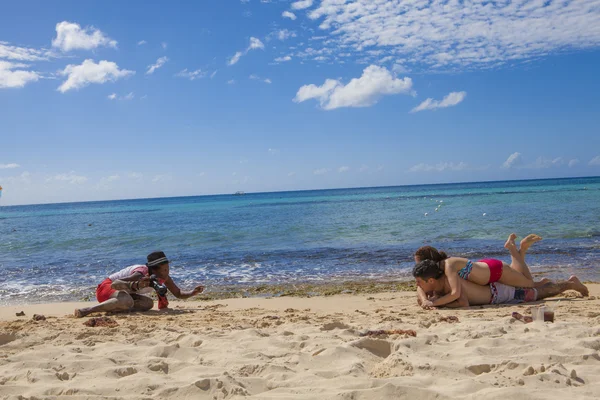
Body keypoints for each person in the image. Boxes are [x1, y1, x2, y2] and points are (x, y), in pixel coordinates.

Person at [412, 234, 544, 308]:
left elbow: (455, 293)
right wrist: (425, 299)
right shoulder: (440, 270)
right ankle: (518, 250)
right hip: (486, 271)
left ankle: (515, 248)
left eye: (419, 263)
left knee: (529, 283)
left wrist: (434, 302)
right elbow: (420, 287)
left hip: (495, 271)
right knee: (521, 279)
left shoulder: (448, 266)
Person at [74, 251, 205, 318]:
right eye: (164, 269)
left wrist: (193, 292)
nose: (167, 272)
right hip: (105, 288)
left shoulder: (163, 278)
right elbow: (115, 285)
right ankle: (88, 310)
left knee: (148, 303)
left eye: (168, 269)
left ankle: (119, 307)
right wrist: (136, 284)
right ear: (154, 269)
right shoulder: (140, 273)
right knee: (127, 300)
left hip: (123, 295)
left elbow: (178, 293)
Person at [413, 259, 589, 308]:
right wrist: (428, 301)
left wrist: (434, 303)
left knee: (539, 293)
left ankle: (570, 283)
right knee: (533, 287)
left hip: (500, 293)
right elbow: (419, 292)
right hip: (493, 285)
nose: (418, 285)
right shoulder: (438, 283)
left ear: (431, 280)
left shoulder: (450, 283)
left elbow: (462, 302)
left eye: (420, 282)